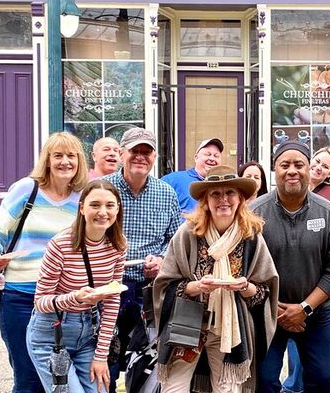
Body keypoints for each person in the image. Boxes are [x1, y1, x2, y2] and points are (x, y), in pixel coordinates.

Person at [153, 165, 279, 392]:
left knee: (228, 390)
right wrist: (196, 287)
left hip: (229, 329)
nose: (224, 200)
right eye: (216, 194)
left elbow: (265, 290)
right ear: (205, 200)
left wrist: (245, 287)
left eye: (230, 192)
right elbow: (164, 284)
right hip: (187, 324)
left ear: (240, 198)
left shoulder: (251, 237)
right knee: (174, 388)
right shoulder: (188, 233)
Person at [0, 131, 88, 393]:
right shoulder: (26, 189)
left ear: (79, 161)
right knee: (28, 377)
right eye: (58, 155)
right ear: (47, 160)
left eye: (71, 156)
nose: (65, 162)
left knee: (61, 378)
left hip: (64, 300)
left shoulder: (84, 197)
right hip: (21, 295)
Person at [252, 140, 330, 393]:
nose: (292, 170)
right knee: (263, 381)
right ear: (275, 170)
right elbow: (241, 266)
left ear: (309, 169)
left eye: (299, 164)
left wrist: (305, 307)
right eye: (285, 165)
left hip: (315, 314)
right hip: (265, 314)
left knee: (322, 381)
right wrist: (273, 307)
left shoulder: (329, 213)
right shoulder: (253, 214)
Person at [26, 179, 127, 393]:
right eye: (94, 205)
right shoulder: (61, 244)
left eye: (110, 205)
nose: (103, 212)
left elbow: (112, 301)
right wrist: (76, 298)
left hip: (89, 333)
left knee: (99, 389)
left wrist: (101, 356)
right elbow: (41, 301)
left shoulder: (118, 245)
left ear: (118, 209)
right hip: (51, 334)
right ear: (82, 208)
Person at [104, 128, 182, 390]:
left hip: (149, 291)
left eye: (146, 152)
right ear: (122, 154)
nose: (140, 157)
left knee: (145, 360)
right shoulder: (103, 189)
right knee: (106, 358)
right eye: (134, 151)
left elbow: (174, 241)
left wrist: (161, 259)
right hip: (109, 286)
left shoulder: (166, 193)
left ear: (154, 157)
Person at [283, 146, 330, 393]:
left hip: (322, 302)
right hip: (284, 306)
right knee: (294, 358)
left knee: (326, 367)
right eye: (316, 162)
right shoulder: (278, 202)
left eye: (325, 166)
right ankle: (294, 386)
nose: (318, 167)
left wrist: (308, 306)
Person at [162, 138, 224, 215]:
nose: (212, 158)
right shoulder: (172, 180)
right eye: (207, 154)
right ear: (196, 157)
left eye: (216, 156)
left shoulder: (225, 186)